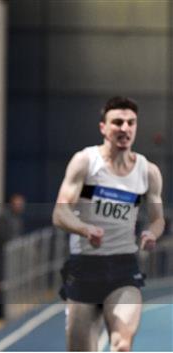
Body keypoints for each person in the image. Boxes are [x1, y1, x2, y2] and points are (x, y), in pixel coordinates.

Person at [52, 96, 165, 351]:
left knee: (122, 344)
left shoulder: (148, 172)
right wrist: (84, 228)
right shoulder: (85, 162)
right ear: (103, 127)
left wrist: (152, 233)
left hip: (124, 268)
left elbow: (158, 219)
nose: (124, 128)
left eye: (130, 123)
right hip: (84, 268)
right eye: (117, 122)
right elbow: (60, 213)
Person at [0, 193, 25, 319]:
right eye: (18, 204)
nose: (21, 207)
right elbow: (4, 236)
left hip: (10, 255)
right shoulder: (4, 217)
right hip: (0, 255)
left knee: (8, 282)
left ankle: (5, 309)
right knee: (1, 283)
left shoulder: (17, 218)